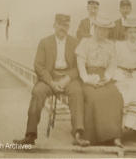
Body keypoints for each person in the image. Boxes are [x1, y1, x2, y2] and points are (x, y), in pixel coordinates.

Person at [13, 14, 89, 146]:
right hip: (49, 78)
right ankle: (30, 135)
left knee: (77, 93)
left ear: (68, 27)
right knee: (37, 92)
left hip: (68, 78)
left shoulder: (75, 42)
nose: (63, 28)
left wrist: (67, 78)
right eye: (60, 25)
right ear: (54, 25)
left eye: (66, 25)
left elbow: (79, 66)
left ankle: (78, 134)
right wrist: (51, 82)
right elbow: (38, 65)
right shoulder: (44, 42)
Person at [75, 18, 124, 147]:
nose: (103, 32)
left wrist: (107, 77)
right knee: (94, 98)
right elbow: (80, 64)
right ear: (95, 28)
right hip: (88, 76)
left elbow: (113, 64)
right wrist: (87, 79)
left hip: (104, 76)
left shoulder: (110, 45)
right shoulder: (85, 42)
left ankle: (114, 136)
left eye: (106, 30)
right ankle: (92, 137)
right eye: (100, 29)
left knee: (116, 96)